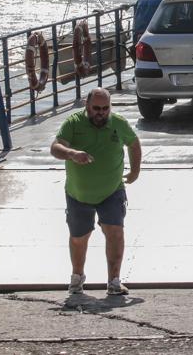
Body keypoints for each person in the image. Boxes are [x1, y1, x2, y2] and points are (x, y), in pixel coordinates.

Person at [50, 88, 141, 296]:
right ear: (87, 106)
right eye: (96, 108)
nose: (101, 112)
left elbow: (134, 143)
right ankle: (77, 277)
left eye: (105, 108)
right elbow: (55, 148)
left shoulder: (118, 123)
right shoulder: (73, 123)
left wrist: (135, 171)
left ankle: (114, 281)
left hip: (112, 190)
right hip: (78, 194)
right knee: (79, 237)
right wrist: (72, 154)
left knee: (115, 232)